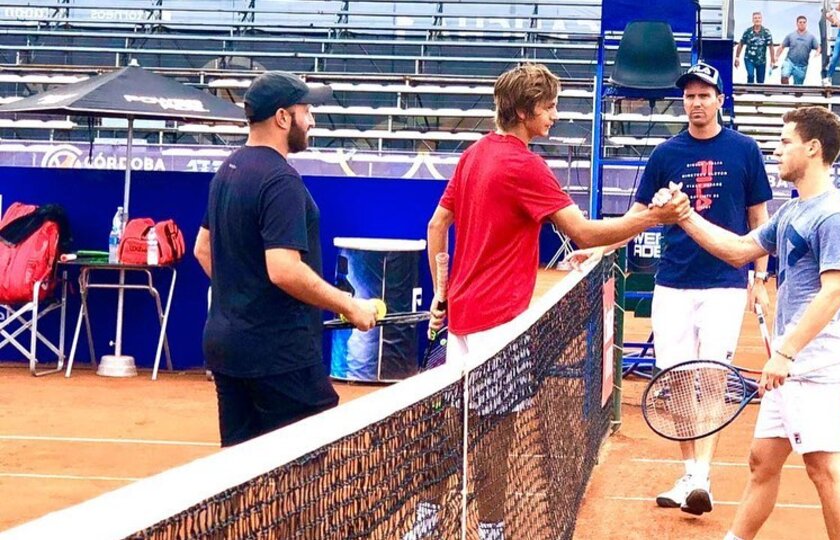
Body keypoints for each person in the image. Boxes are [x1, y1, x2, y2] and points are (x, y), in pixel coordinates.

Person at [407, 63, 688, 540]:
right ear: (523, 111)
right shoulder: (525, 166)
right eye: (549, 107)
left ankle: (426, 523)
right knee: (496, 436)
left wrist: (442, 292)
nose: (555, 116)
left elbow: (437, 226)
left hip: (463, 322)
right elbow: (584, 232)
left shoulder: (474, 154)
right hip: (500, 326)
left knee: (452, 426)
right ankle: (491, 530)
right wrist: (654, 219)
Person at [659, 105, 840, 540]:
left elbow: (833, 293)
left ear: (812, 148)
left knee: (824, 470)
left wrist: (785, 353)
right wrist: (685, 215)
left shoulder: (833, 214)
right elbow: (737, 250)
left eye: (786, 142)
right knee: (761, 462)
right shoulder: (791, 211)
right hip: (789, 364)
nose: (777, 150)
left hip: (812, 363)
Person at [194, 71, 380, 447]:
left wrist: (247, 296)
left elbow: (203, 248)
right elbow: (284, 270)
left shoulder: (228, 170)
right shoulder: (281, 181)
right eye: (306, 111)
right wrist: (350, 306)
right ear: (283, 118)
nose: (312, 121)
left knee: (242, 465)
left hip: (228, 347)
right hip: (279, 354)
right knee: (309, 464)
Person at [633, 62, 772, 516]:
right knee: (675, 382)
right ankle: (691, 472)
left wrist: (761, 278)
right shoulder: (664, 154)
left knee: (711, 379)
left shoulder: (745, 150)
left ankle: (701, 477)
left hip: (724, 285)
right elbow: (639, 214)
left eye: (704, 95)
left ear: (719, 100)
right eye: (689, 96)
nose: (696, 103)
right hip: (672, 282)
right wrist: (597, 247)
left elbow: (759, 221)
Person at [776, 15, 821, 86]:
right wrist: (776, 57)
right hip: (790, 61)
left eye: (804, 22)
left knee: (798, 88)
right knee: (784, 76)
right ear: (797, 24)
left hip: (802, 66)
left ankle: (794, 91)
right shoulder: (791, 35)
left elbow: (818, 47)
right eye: (800, 22)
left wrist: (817, 53)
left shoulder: (811, 37)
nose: (802, 24)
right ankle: (786, 91)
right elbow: (782, 46)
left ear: (806, 24)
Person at [735, 12, 777, 84]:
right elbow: (741, 44)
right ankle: (749, 90)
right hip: (749, 59)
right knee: (750, 75)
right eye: (755, 18)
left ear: (761, 19)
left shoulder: (766, 32)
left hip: (761, 61)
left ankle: (758, 91)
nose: (757, 20)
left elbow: (771, 47)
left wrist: (772, 60)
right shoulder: (747, 31)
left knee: (760, 81)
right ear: (752, 20)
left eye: (759, 18)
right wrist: (737, 57)